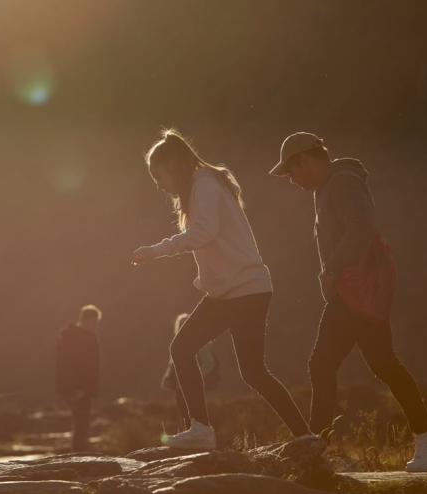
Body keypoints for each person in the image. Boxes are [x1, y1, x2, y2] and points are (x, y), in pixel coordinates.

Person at [269, 131, 427, 472]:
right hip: (359, 290)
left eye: (292, 172)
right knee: (383, 363)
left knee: (322, 363)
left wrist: (332, 270)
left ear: (306, 161)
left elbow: (363, 228)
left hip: (357, 289)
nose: (291, 180)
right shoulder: (328, 186)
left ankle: (315, 450)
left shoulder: (342, 183)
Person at [132, 129, 317, 451]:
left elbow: (203, 233)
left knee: (238, 367)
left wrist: (155, 251)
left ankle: (300, 436)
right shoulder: (200, 186)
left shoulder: (205, 183)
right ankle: (208, 429)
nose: (158, 184)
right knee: (202, 355)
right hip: (232, 291)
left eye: (158, 175)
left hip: (244, 290)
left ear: (174, 166)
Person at [161, 313, 220, 433]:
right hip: (180, 386)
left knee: (194, 411)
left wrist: (194, 379)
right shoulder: (178, 344)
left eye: (184, 325)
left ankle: (197, 435)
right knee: (184, 412)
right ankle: (189, 434)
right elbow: (172, 364)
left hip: (194, 385)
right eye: (181, 325)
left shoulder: (200, 342)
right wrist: (168, 379)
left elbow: (209, 363)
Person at [55, 304, 101, 452]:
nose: (96, 326)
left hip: (76, 388)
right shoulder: (82, 338)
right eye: (95, 322)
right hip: (79, 389)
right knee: (81, 421)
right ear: (88, 320)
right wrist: (78, 388)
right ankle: (80, 453)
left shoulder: (69, 335)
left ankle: (79, 451)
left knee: (80, 421)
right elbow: (74, 366)